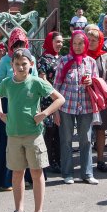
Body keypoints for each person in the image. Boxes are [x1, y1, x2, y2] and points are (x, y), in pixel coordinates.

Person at [0, 49, 66, 212]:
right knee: (17, 173)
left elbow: (59, 99)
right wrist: (0, 113)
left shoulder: (36, 82)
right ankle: (19, 210)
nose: (20, 67)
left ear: (31, 65)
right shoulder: (7, 83)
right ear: (12, 65)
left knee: (36, 173)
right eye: (17, 64)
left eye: (24, 64)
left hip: (33, 136)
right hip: (13, 135)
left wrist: (44, 113)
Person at [0, 28, 38, 189]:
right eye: (15, 44)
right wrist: (9, 84)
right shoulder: (5, 60)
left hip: (28, 104)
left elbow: (35, 80)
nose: (19, 47)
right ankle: (5, 180)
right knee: (8, 142)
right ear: (10, 45)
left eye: (21, 44)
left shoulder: (31, 59)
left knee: (30, 140)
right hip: (8, 104)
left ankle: (31, 178)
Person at [54, 30, 100, 184]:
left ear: (86, 44)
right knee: (66, 140)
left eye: (80, 43)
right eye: (75, 43)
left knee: (86, 140)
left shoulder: (91, 62)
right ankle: (67, 173)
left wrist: (91, 82)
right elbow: (56, 86)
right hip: (66, 107)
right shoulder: (64, 61)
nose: (77, 46)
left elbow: (97, 83)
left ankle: (87, 173)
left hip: (86, 106)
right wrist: (55, 111)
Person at [85, 25, 107, 173]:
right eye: (89, 39)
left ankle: (101, 159)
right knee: (85, 130)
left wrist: (101, 90)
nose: (91, 42)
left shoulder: (106, 56)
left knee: (101, 130)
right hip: (84, 97)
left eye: (94, 40)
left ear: (100, 41)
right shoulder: (82, 55)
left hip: (101, 98)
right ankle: (86, 161)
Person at [38, 31, 64, 172]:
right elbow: (43, 79)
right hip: (48, 98)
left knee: (59, 131)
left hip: (62, 98)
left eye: (61, 42)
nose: (60, 44)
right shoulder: (43, 59)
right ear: (50, 42)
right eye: (57, 41)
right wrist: (54, 93)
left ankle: (58, 160)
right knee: (49, 130)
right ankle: (47, 161)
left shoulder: (62, 58)